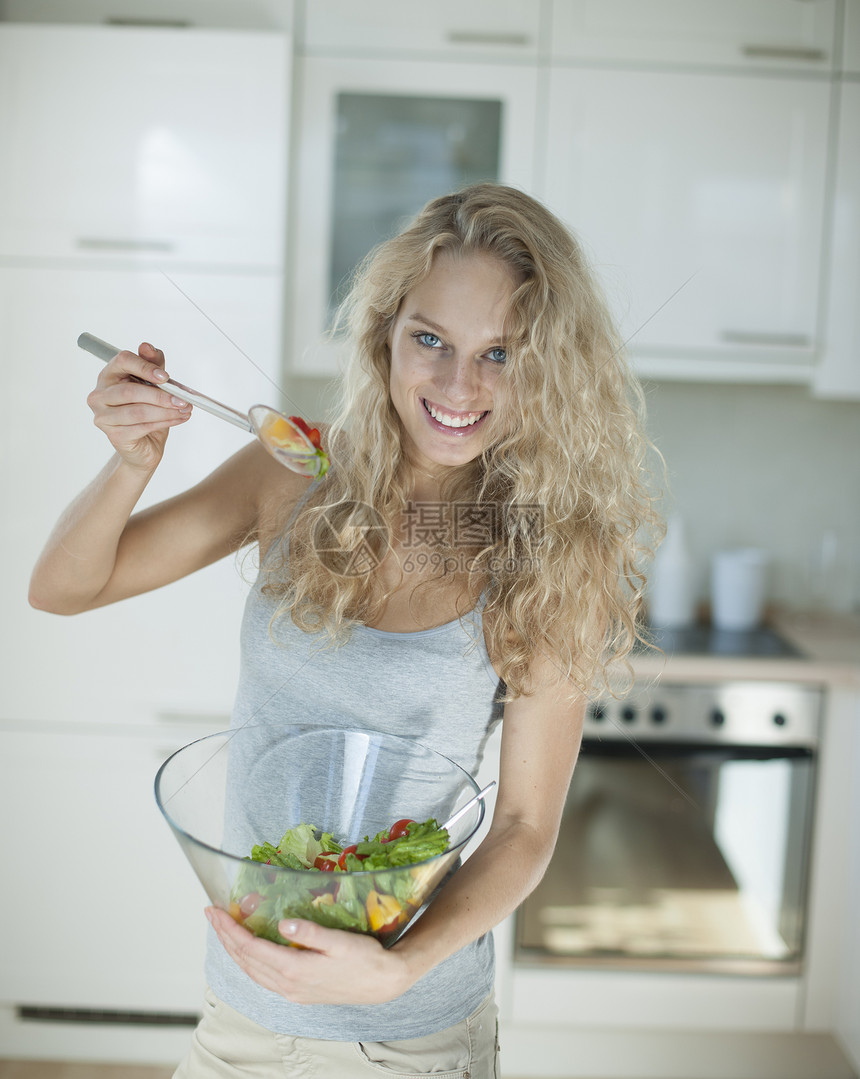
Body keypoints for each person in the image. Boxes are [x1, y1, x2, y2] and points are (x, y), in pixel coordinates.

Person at [29, 183, 659, 1077]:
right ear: (386, 332)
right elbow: (62, 587)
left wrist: (399, 964)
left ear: (548, 368)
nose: (456, 385)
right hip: (242, 1017)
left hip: (413, 1035)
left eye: (500, 355)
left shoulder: (551, 552)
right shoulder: (291, 472)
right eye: (430, 339)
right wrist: (130, 463)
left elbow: (523, 823)